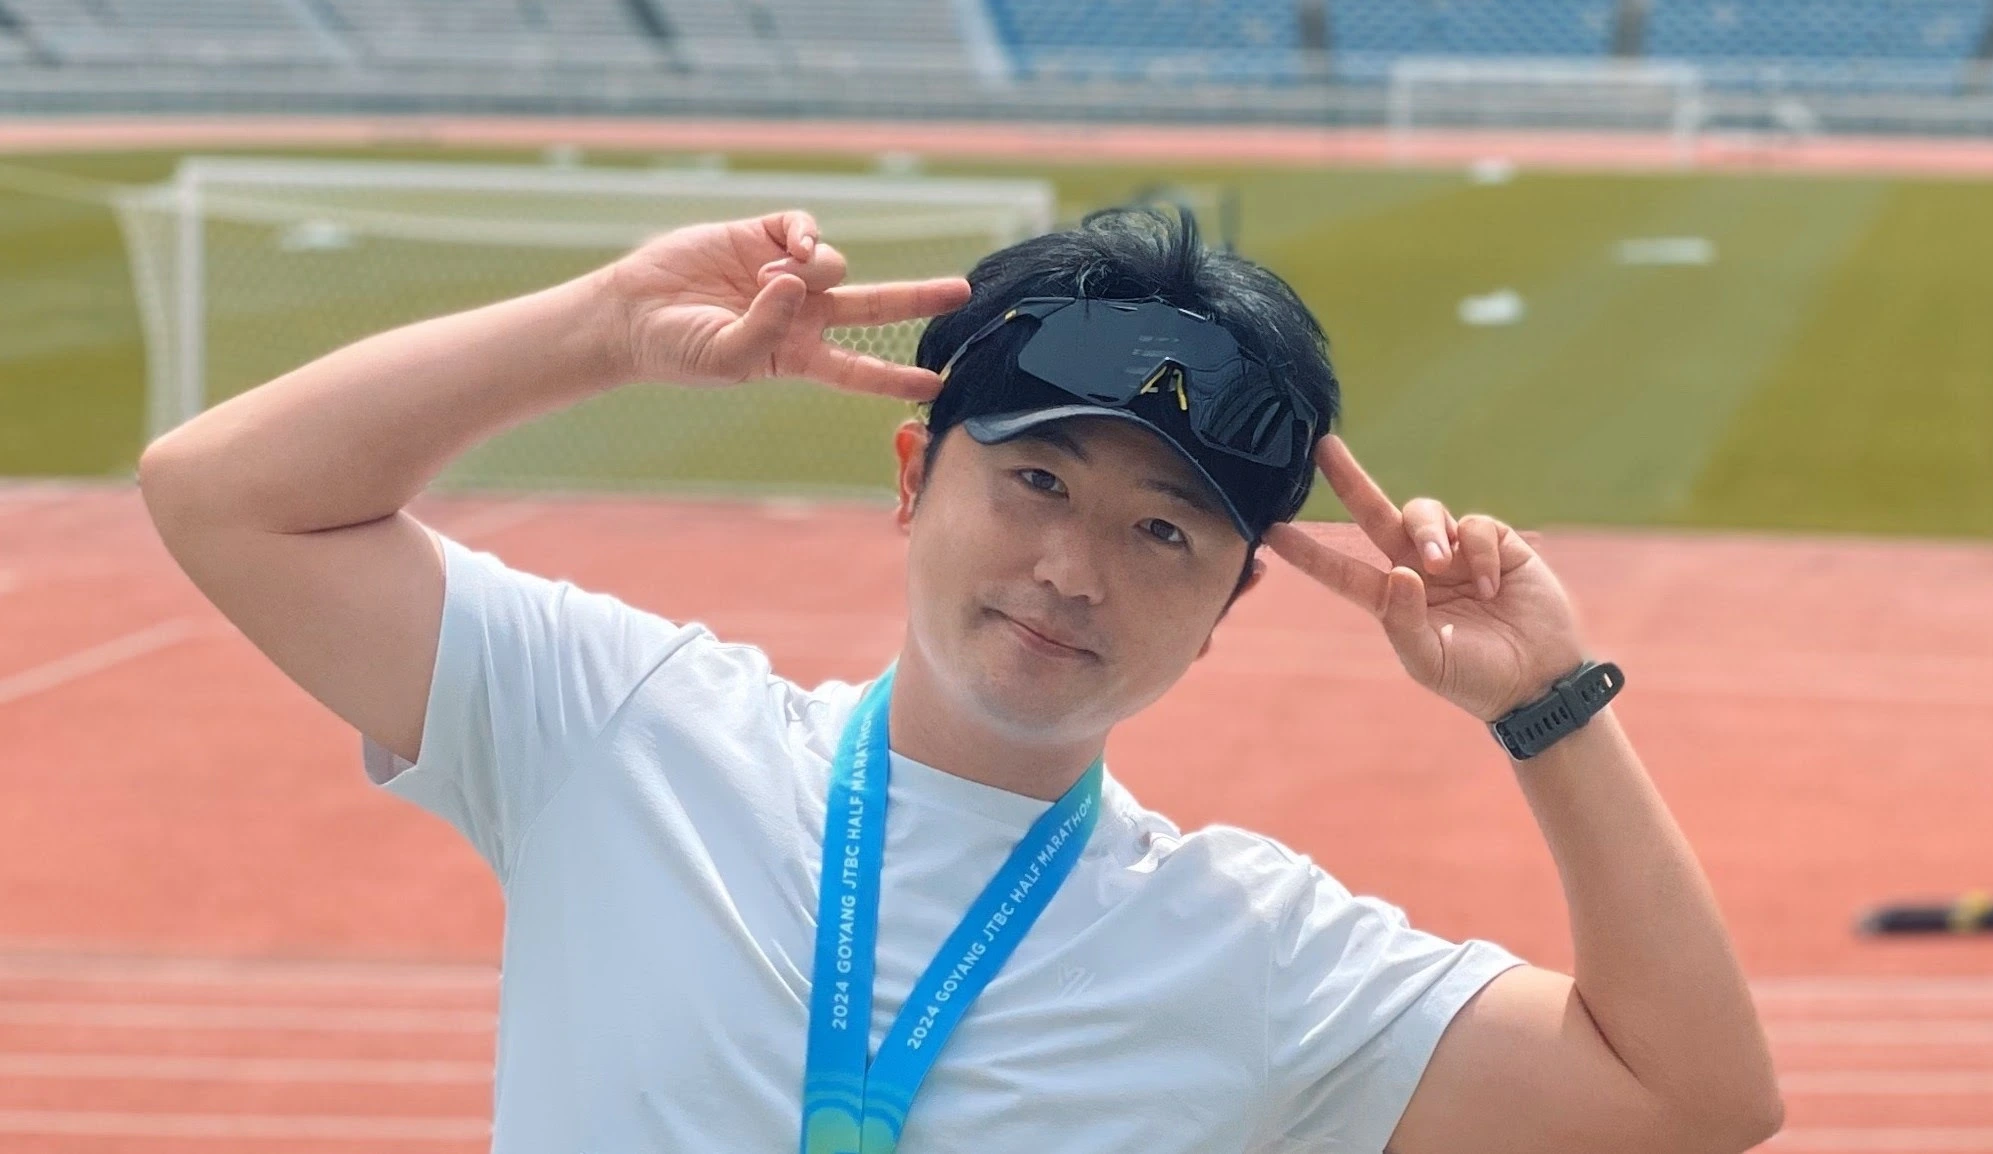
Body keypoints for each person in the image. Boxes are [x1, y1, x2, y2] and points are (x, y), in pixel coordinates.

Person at [138, 204, 1782, 1154]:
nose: (1072, 569)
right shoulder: (627, 731)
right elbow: (224, 492)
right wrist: (604, 324)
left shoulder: (1252, 949)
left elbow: (1692, 1093)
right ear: (914, 475)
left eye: (1162, 531)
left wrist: (1544, 702)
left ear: (1229, 605)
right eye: (1036, 480)